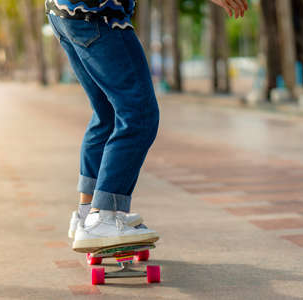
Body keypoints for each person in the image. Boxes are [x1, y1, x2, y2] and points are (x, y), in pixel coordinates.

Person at [45, 0, 248, 252]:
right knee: (138, 114)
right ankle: (103, 217)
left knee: (107, 114)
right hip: (98, 15)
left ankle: (87, 214)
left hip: (65, 14)